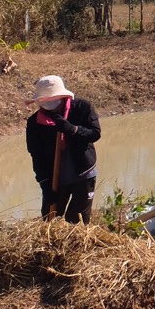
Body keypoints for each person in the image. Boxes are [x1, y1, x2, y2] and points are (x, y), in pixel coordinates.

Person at [25, 74, 100, 224]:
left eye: (53, 101)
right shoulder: (35, 122)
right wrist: (45, 184)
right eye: (44, 102)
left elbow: (95, 134)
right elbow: (36, 154)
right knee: (50, 219)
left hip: (83, 173)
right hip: (54, 179)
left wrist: (72, 129)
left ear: (63, 97)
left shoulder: (82, 108)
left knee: (76, 221)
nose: (49, 107)